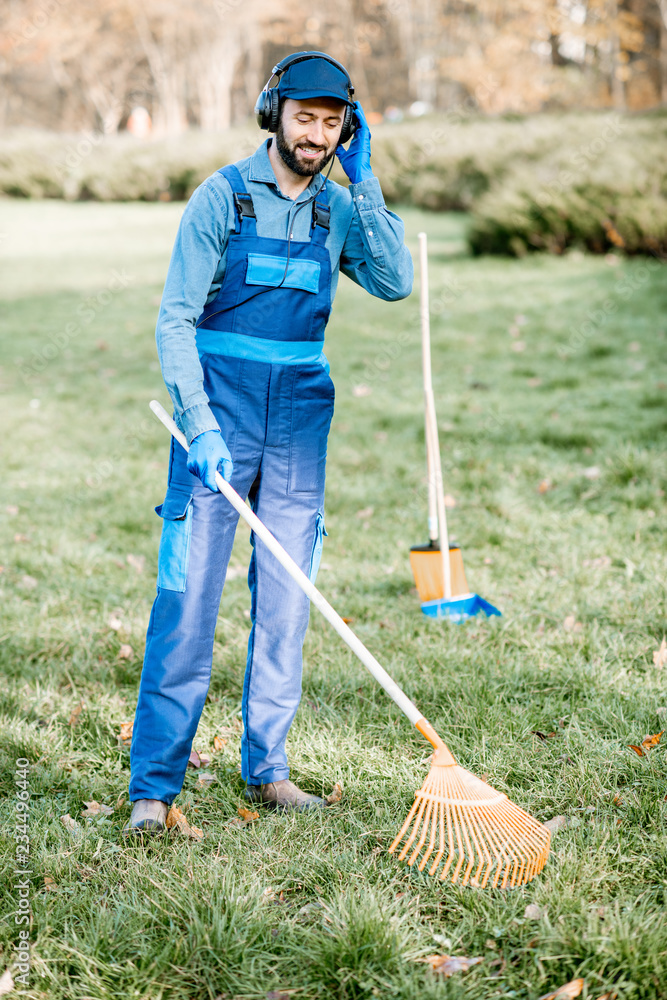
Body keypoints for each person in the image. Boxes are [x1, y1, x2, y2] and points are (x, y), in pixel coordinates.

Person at [124, 51, 413, 834]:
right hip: (217, 416)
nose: (316, 134)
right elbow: (175, 319)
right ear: (273, 114)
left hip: (298, 424)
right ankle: (154, 787)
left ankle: (269, 771)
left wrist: (366, 182)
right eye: (304, 117)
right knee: (187, 602)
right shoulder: (220, 198)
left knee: (286, 601)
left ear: (344, 129)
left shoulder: (339, 211)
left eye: (331, 122)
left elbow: (395, 282)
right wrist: (202, 427)